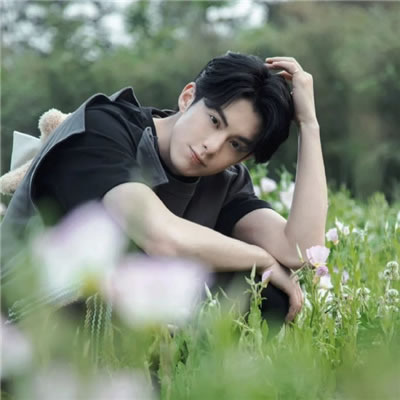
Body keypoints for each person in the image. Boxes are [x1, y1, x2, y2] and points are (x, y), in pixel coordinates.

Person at [1, 52, 328, 324]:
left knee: (268, 291)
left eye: (236, 144)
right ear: (188, 97)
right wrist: (261, 257)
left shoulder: (226, 181)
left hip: (120, 323)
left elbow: (300, 250)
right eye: (214, 120)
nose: (212, 146)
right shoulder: (102, 128)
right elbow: (160, 236)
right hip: (24, 317)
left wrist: (309, 125)